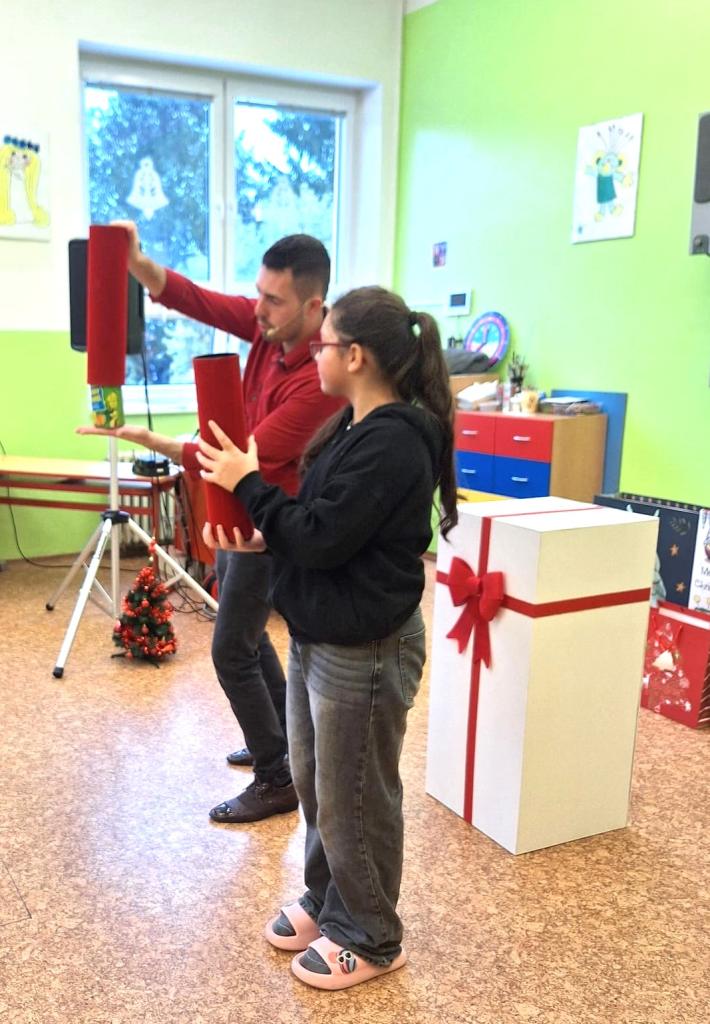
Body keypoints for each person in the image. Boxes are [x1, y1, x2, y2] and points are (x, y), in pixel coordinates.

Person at [197, 285, 458, 990]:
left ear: (356, 355)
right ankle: (329, 901)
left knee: (356, 797)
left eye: (324, 343)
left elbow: (322, 536)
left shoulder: (396, 440)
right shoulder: (351, 425)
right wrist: (264, 539)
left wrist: (249, 484)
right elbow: (324, 529)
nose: (314, 354)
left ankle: (372, 936)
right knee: (318, 788)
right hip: (322, 633)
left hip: (365, 647)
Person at [78, 221, 344, 824]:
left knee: (230, 651)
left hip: (267, 528)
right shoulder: (270, 327)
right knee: (248, 637)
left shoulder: (319, 381)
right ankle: (279, 738)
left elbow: (240, 456)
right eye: (259, 293)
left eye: (274, 300)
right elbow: (197, 299)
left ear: (313, 307)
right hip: (235, 512)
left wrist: (147, 439)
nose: (259, 308)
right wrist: (139, 263)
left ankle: (277, 777)